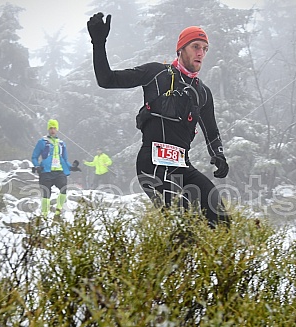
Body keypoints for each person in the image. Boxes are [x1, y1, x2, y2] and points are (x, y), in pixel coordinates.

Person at [87, 13, 230, 226]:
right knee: (181, 222)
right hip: (152, 164)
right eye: (196, 47)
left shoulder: (203, 93)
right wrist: (99, 43)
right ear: (180, 49)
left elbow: (211, 131)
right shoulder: (157, 73)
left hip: (182, 165)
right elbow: (106, 80)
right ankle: (165, 258)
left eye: (205, 48)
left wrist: (218, 155)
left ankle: (213, 259)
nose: (201, 53)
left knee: (220, 219)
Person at [31, 119, 72, 219]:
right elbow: (34, 156)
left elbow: (65, 159)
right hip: (46, 172)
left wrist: (71, 167)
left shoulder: (62, 143)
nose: (52, 130)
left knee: (63, 188)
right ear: (48, 129)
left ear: (57, 129)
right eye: (51, 128)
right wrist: (37, 166)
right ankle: (44, 215)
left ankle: (58, 211)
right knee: (46, 193)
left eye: (54, 128)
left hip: (59, 171)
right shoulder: (42, 142)